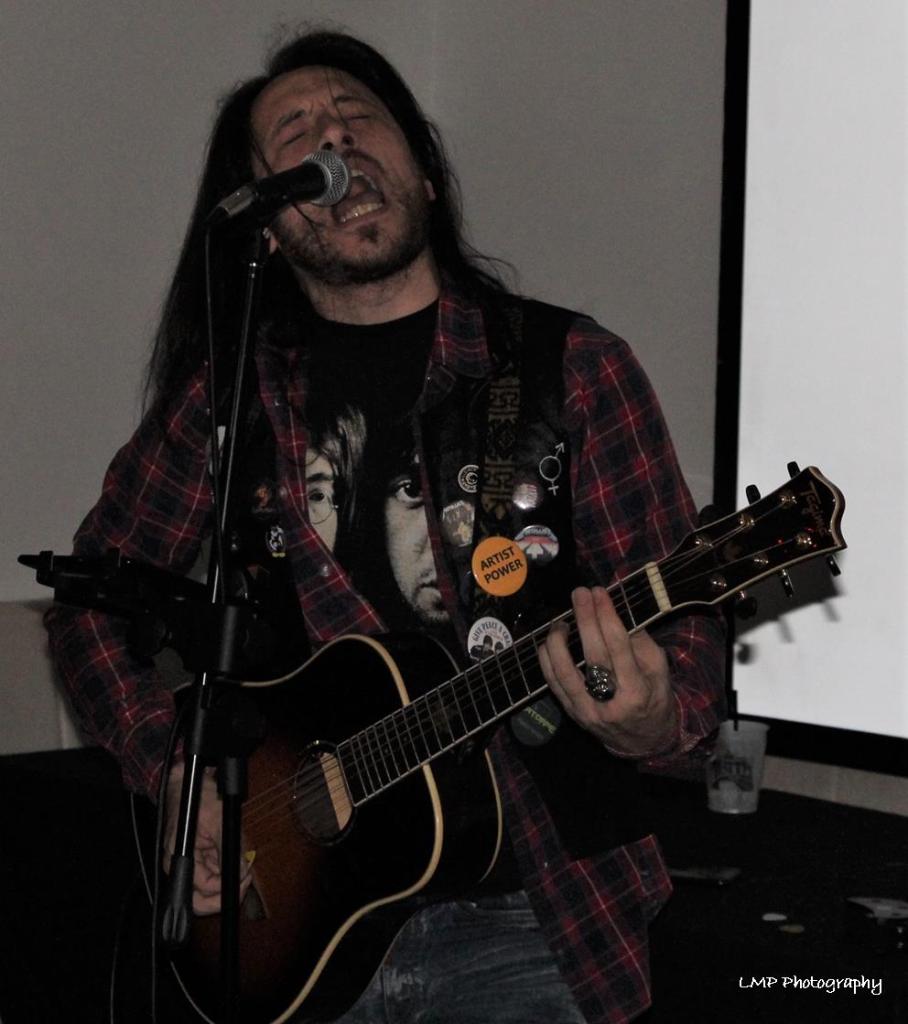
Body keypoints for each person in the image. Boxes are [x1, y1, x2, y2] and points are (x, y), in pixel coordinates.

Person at [45, 28, 727, 1024]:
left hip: (529, 919)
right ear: (267, 226)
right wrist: (176, 773)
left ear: (427, 176)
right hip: (288, 933)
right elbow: (89, 601)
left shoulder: (572, 370)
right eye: (298, 135)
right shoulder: (228, 403)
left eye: (359, 119)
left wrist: (650, 715)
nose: (336, 142)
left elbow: (687, 664)